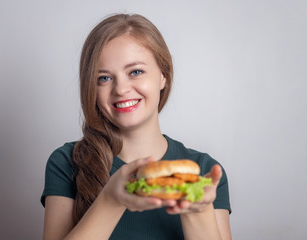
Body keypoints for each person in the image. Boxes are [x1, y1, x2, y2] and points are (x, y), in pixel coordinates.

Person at [41, 13, 232, 240]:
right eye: (103, 78)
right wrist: (111, 200)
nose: (121, 89)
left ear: (163, 76)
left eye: (135, 72)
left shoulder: (203, 170)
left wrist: (198, 211)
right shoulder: (66, 163)